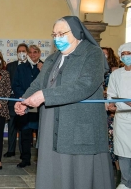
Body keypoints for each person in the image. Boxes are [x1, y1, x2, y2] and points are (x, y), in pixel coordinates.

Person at [15, 16, 115, 189]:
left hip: (78, 125)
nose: (57, 38)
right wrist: (24, 100)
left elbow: (85, 85)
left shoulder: (92, 53)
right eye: (54, 34)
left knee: (79, 175)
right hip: (51, 125)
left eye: (62, 33)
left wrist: (45, 96)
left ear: (76, 32)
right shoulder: (53, 58)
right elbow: (39, 83)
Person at [107, 42, 131, 189]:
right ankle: (126, 183)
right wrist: (110, 105)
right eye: (123, 54)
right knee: (123, 153)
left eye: (129, 54)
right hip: (121, 119)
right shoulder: (116, 74)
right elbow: (111, 94)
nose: (126, 56)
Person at [13, 45, 41, 168]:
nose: (33, 54)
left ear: (39, 54)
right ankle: (25, 159)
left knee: (41, 135)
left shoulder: (45, 67)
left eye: (35, 52)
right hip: (25, 105)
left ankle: (41, 160)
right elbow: (16, 85)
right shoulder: (21, 68)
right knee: (25, 134)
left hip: (41, 107)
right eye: (30, 52)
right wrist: (25, 99)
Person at [3, 43, 28, 158]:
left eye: (23, 51)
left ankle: (23, 152)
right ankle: (11, 150)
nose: (21, 53)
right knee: (11, 127)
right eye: (19, 51)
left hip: (26, 101)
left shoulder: (30, 66)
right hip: (12, 101)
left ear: (27, 52)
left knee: (23, 129)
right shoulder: (10, 66)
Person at [101, 46, 121, 185]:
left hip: (112, 111)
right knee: (105, 144)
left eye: (105, 54)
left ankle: (120, 174)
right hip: (100, 110)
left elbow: (115, 92)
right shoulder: (96, 70)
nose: (103, 57)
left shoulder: (115, 71)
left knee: (114, 143)